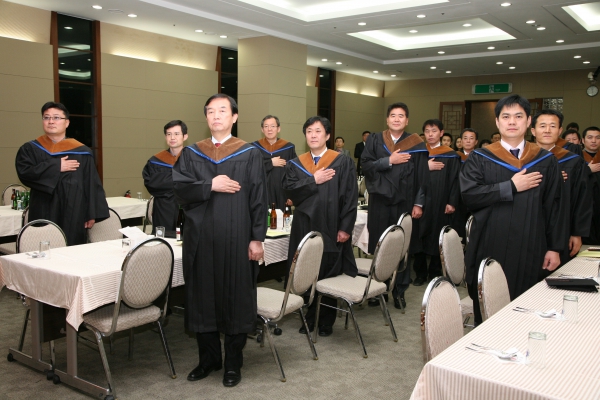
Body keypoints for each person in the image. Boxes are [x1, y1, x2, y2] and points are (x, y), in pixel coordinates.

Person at [173, 94, 267, 388]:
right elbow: (179, 190)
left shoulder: (249, 153)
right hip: (201, 239)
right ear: (206, 118)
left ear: (234, 117)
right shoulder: (191, 153)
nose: (216, 116)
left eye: (222, 111)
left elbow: (258, 198)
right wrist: (209, 185)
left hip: (237, 238)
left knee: (236, 298)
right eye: (211, 111)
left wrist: (256, 238)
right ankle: (208, 359)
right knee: (203, 300)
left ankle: (233, 364)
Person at [460, 94, 564, 325]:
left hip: (531, 245)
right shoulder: (480, 158)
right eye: (506, 116)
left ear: (528, 122)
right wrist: (511, 187)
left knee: (526, 310)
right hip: (490, 242)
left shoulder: (545, 160)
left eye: (519, 116)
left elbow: (555, 205)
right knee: (488, 309)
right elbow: (470, 196)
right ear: (497, 122)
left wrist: (555, 247)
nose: (512, 122)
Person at [283, 116, 358, 337]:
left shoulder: (341, 161)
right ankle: (308, 314)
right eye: (309, 131)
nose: (313, 135)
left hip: (331, 224)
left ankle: (325, 319)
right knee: (305, 268)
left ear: (327, 135)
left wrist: (345, 227)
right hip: (304, 225)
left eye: (318, 131)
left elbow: (350, 196)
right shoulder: (296, 164)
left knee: (327, 270)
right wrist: (312, 180)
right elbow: (289, 192)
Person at [361, 102, 429, 308]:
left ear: (407, 120)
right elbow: (365, 166)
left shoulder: (416, 144)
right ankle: (376, 291)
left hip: (405, 203)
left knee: (401, 247)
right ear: (387, 119)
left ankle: (400, 290)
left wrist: (419, 203)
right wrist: (388, 160)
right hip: (380, 202)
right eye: (393, 115)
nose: (397, 119)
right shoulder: (374, 140)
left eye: (401, 116)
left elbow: (422, 178)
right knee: (379, 246)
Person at [15, 101, 109, 246]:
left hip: (74, 210)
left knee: (72, 250)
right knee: (44, 249)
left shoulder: (82, 152)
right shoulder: (30, 149)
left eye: (56, 117)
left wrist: (91, 213)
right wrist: (57, 166)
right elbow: (25, 173)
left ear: (67, 123)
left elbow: (91, 183)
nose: (51, 121)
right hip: (42, 207)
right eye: (46, 117)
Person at [531, 110, 591, 267]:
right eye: (542, 126)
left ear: (559, 130)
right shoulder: (521, 159)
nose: (547, 130)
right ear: (532, 131)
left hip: (562, 227)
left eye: (553, 126)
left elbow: (581, 198)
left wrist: (577, 232)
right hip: (528, 225)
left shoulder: (573, 161)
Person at [412, 119, 460, 286]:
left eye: (434, 131)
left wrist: (452, 202)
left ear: (441, 132)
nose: (430, 134)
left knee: (437, 236)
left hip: (440, 201)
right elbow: (408, 174)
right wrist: (425, 166)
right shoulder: (418, 152)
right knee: (418, 236)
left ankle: (434, 272)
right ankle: (419, 273)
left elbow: (456, 180)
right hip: (419, 201)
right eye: (427, 131)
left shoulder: (451, 154)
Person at [142, 120, 188, 236]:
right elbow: (151, 184)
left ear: (185, 136)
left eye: (177, 134)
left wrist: (166, 182)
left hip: (187, 209)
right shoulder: (156, 160)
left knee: (186, 243)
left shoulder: (193, 159)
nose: (172, 137)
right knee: (162, 244)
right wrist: (180, 180)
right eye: (169, 134)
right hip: (163, 209)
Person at [252, 115, 296, 212]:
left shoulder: (288, 147)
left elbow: (293, 172)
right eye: (266, 126)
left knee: (283, 222)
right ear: (262, 130)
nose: (269, 129)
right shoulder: (254, 148)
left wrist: (292, 194)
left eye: (272, 126)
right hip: (261, 193)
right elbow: (251, 169)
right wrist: (270, 163)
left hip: (282, 193)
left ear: (278, 129)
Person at [581, 126, 600, 244]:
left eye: (598, 138)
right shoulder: (576, 158)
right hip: (585, 207)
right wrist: (586, 170)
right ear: (583, 140)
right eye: (590, 137)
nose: (594, 141)